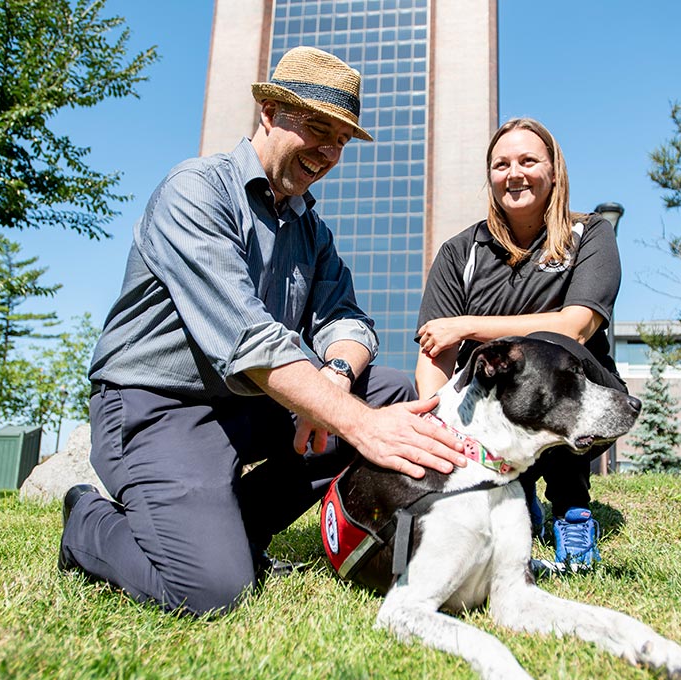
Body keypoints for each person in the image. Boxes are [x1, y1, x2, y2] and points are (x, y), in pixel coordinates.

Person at [58, 46, 467, 616]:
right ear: (270, 112)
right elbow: (247, 338)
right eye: (318, 128)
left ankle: (236, 525)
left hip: (247, 404)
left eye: (342, 140)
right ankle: (86, 522)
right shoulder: (196, 192)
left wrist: (338, 378)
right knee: (212, 592)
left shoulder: (309, 227)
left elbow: (348, 320)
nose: (329, 152)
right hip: (157, 405)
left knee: (391, 393)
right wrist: (351, 420)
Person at [414, 117, 626, 570]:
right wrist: (434, 427)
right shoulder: (460, 252)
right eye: (501, 164)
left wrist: (467, 325)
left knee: (550, 347)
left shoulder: (590, 235)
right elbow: (436, 354)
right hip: (495, 415)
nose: (515, 173)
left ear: (553, 170)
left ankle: (572, 510)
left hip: (581, 396)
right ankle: (516, 493)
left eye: (529, 160)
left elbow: (576, 327)